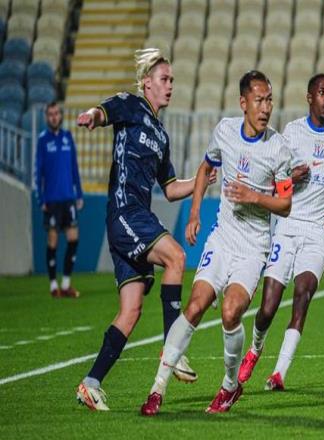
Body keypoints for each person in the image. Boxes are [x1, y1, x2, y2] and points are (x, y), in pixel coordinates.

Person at [140, 70, 293, 416]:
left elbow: (285, 204)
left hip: (253, 248)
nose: (266, 107)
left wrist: (254, 196)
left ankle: (229, 386)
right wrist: (194, 213)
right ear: (243, 103)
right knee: (195, 306)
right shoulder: (224, 131)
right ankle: (157, 389)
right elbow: (205, 167)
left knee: (230, 311)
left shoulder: (279, 148)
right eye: (259, 100)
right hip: (222, 238)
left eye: (269, 100)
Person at [75, 48, 216, 411]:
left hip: (136, 217)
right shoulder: (131, 105)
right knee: (176, 257)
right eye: (164, 79)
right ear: (147, 83)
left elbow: (169, 189)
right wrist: (92, 116)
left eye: (172, 80)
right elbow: (103, 111)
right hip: (126, 212)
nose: (170, 86)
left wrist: (201, 180)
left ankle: (90, 383)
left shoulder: (161, 135)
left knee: (131, 310)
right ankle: (173, 348)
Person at [238, 73, 324, 390]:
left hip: (315, 232)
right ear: (309, 97)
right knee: (268, 307)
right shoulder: (292, 132)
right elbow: (276, 180)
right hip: (287, 226)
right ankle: (256, 348)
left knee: (303, 296)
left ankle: (279, 374)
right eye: (322, 92)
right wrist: (292, 178)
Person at [35, 101, 83, 298]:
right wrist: (41, 199)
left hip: (68, 198)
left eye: (56, 113)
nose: (54, 117)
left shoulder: (67, 137)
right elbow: (38, 172)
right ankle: (53, 285)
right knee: (53, 241)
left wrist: (79, 194)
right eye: (50, 114)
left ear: (61, 116)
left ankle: (66, 284)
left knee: (73, 239)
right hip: (52, 200)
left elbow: (74, 168)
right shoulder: (43, 140)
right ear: (47, 117)